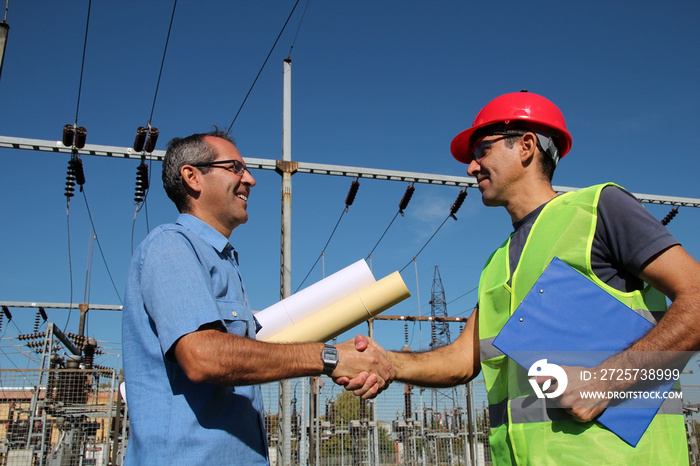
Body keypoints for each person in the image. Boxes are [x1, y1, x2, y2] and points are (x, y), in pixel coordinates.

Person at [341, 91, 700, 464]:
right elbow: (464, 358)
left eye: (482, 149)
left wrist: (606, 380)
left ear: (526, 146)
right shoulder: (497, 264)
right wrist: (390, 363)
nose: (471, 167)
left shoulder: (599, 209)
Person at [122, 130, 394, 465]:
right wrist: (329, 357)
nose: (249, 179)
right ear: (192, 177)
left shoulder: (223, 262)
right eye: (235, 167)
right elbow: (203, 356)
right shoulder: (171, 246)